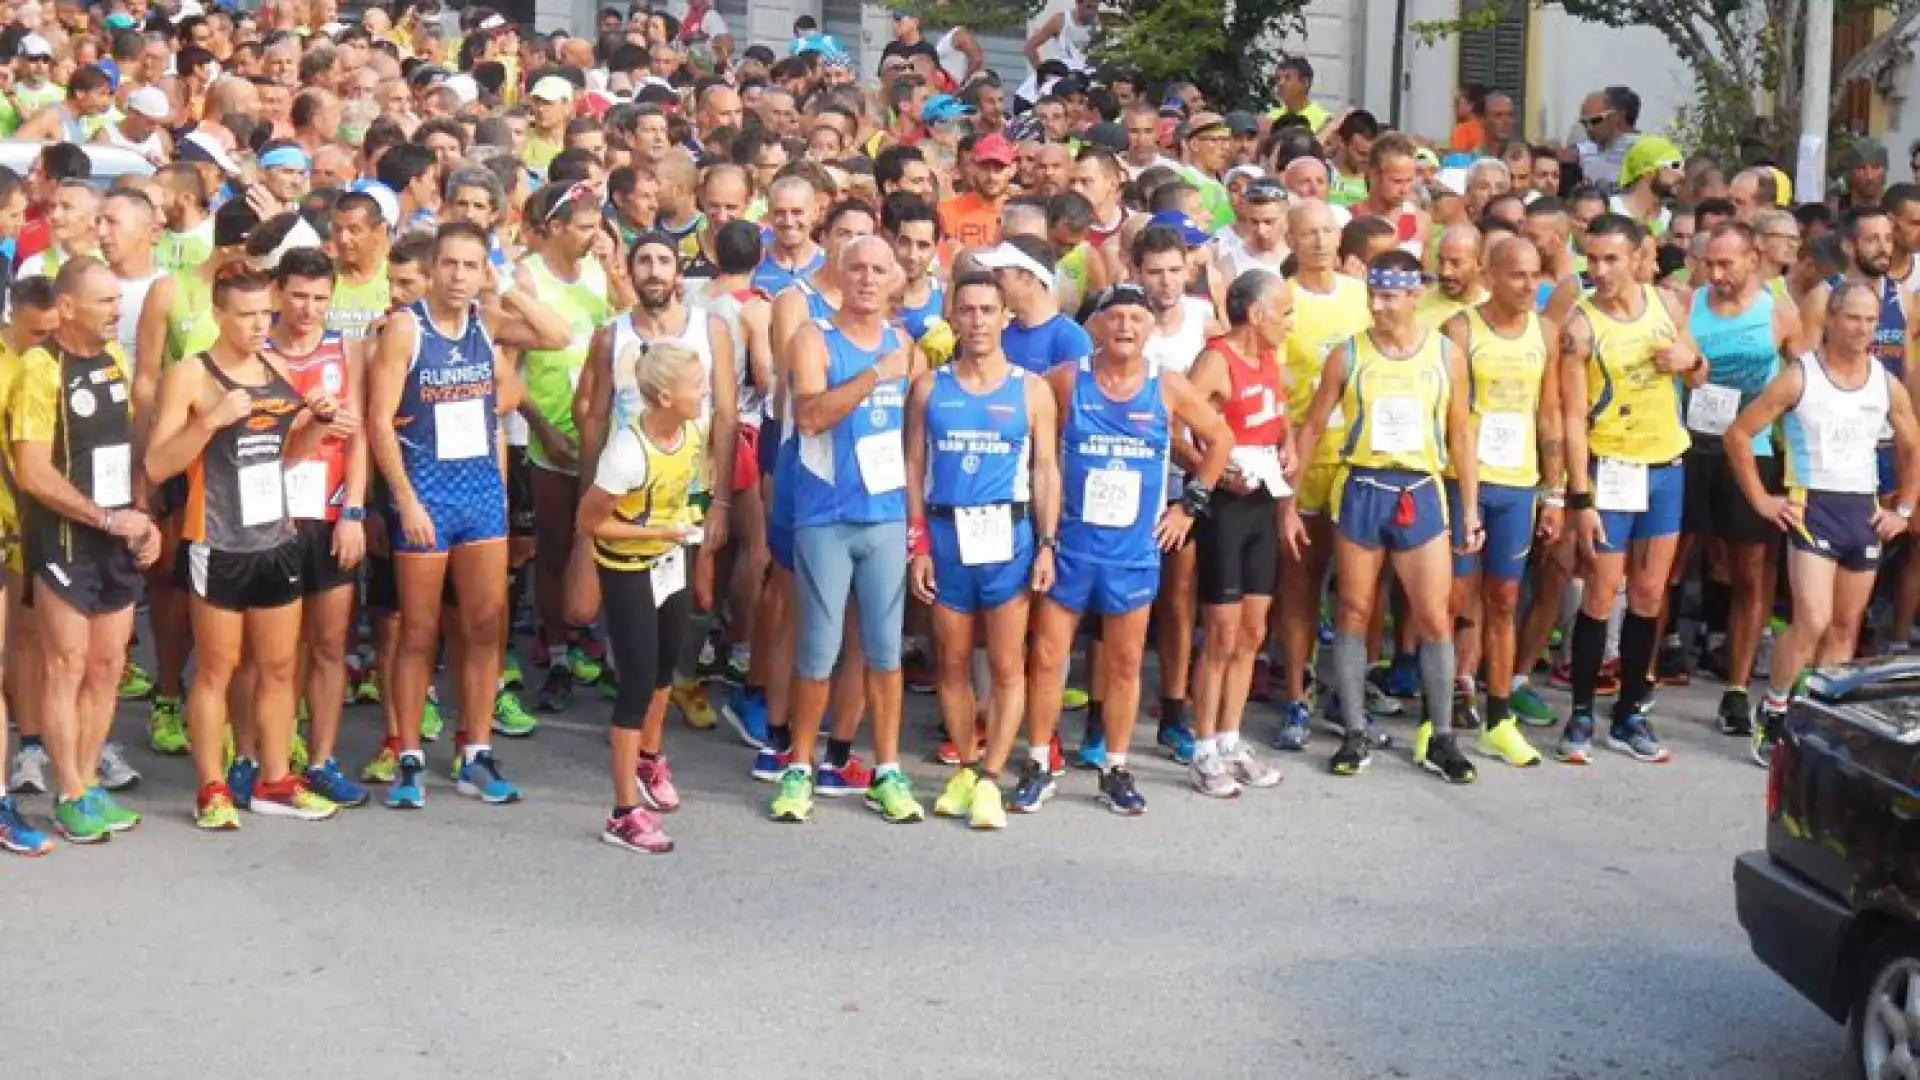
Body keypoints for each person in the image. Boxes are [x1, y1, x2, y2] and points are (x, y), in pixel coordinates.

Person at [365, 222, 566, 810]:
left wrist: (510, 289)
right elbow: (379, 421)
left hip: (481, 497)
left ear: (484, 272)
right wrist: (402, 499)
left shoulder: (488, 323)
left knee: (484, 628)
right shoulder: (406, 329)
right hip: (426, 495)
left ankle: (476, 750)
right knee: (418, 632)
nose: (457, 277)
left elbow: (557, 335)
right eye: (448, 264)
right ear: (432, 270)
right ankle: (407, 755)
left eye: (470, 266)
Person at [146, 264, 350, 828]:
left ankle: (275, 780)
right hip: (217, 540)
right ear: (218, 315)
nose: (262, 324)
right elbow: (159, 462)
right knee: (217, 669)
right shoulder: (191, 375)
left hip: (276, 535)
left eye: (266, 313)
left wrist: (317, 425)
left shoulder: (275, 368)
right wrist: (210, 419)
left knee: (280, 668)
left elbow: (283, 456)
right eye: (248, 315)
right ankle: (211, 787)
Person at [1018, 283, 1233, 815]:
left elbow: (1220, 440)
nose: (1126, 327)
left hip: (1133, 550)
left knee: (1125, 662)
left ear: (1150, 327)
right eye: (1115, 317)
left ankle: (1115, 766)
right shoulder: (1068, 381)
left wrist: (1189, 507)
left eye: (1136, 318)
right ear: (1097, 325)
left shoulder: (1167, 387)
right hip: (1069, 546)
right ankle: (1038, 763)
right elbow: (1028, 430)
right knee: (1047, 658)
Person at [1294, 249, 1483, 782]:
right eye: (1373, 295)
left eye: (1390, 296)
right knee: (1353, 609)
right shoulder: (1349, 354)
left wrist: (1469, 506)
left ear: (1414, 295)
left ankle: (1442, 735)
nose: (1378, 306)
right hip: (1363, 486)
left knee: (1432, 615)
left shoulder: (1446, 355)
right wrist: (1290, 502)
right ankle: (1353, 731)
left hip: (1420, 489)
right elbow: (1310, 428)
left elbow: (1461, 433)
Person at [1725, 282, 1920, 766]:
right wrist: (1762, 500)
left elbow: (1913, 446)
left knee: (1843, 625)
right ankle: (1773, 711)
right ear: (1831, 319)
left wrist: (1904, 511)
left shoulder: (1884, 381)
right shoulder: (1800, 377)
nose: (1862, 329)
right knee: (1810, 618)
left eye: (1871, 321)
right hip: (1812, 506)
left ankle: (1816, 720)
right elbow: (1739, 434)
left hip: (1863, 509)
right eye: (1853, 318)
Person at [768, 236, 922, 825]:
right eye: (855, 268)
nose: (865, 279)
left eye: (878, 270)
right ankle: (800, 767)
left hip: (883, 515)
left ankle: (887, 770)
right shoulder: (815, 336)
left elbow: (913, 426)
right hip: (825, 515)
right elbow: (809, 415)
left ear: (894, 281)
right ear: (838, 272)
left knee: (885, 651)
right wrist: (874, 376)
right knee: (818, 650)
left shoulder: (903, 342)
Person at [13, 258, 163, 843]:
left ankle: (89, 784)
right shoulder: (39, 368)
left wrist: (141, 518)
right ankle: (69, 790)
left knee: (106, 667)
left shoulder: (115, 360)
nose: (117, 312)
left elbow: (125, 449)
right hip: (65, 538)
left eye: (118, 301)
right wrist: (104, 517)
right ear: (68, 308)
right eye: (104, 303)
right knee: (65, 666)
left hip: (117, 536)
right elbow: (31, 470)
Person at [904, 271, 1059, 830]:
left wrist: (1046, 544)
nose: (977, 321)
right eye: (966, 311)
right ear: (953, 317)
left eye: (987, 311)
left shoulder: (1030, 388)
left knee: (1005, 664)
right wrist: (917, 542)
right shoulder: (929, 387)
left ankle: (992, 776)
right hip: (946, 536)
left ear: (1004, 317)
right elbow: (914, 465)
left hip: (1007, 536)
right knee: (949, 661)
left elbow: (1045, 469)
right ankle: (966, 767)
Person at [1558, 214, 1708, 766]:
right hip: (1612, 466)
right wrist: (1579, 496)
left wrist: (1688, 360)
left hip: (1666, 462)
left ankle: (1629, 713)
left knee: (1649, 593)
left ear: (1638, 256)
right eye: (1591, 260)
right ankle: (1579, 713)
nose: (1599, 271)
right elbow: (1573, 417)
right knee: (1602, 592)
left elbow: (1697, 368)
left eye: (1611, 259)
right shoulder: (1581, 326)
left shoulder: (1666, 305)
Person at [574, 340, 709, 855]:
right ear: (666, 395)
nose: (703, 394)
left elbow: (687, 492)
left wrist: (683, 530)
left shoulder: (691, 434)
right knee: (634, 685)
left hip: (669, 562)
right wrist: (655, 531)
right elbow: (590, 522)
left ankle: (650, 757)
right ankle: (623, 811)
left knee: (662, 672)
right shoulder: (626, 452)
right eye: (695, 386)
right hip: (629, 568)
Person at [1438, 237, 1562, 768]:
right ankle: (1439, 712)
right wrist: (1466, 497)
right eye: (1517, 276)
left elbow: (1550, 414)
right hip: (1466, 479)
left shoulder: (1547, 332)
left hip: (1518, 482)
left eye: (1536, 275)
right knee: (1455, 600)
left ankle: (1499, 717)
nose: (1530, 286)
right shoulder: (1461, 330)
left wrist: (1554, 494)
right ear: (1489, 276)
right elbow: (1454, 418)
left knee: (1506, 598)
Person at [1678, 222, 1804, 737]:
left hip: (1750, 451)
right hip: (1688, 445)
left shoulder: (1780, 315)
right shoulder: (1689, 304)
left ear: (1754, 260)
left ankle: (1735, 688)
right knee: (1669, 564)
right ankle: (1640, 675)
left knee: (1750, 573)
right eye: (1711, 263)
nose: (1718, 274)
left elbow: (1802, 386)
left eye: (1728, 264)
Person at [1185, 269, 1302, 795]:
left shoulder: (1270, 358)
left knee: (1254, 630)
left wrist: (1289, 442)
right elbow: (1169, 418)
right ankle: (1203, 747)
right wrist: (1209, 466)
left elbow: (1277, 411)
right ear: (1256, 314)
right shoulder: (1217, 359)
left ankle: (1231, 739)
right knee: (1222, 632)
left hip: (1262, 502)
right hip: (1226, 510)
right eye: (1284, 313)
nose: (1290, 324)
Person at [265, 247, 371, 808]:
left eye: (320, 298)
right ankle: (267, 755)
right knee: (273, 653)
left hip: (329, 515)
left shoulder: (345, 348)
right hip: (269, 517)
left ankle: (322, 758)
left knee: (330, 643)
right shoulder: (258, 353)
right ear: (278, 292)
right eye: (299, 296)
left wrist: (354, 510)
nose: (308, 309)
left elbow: (360, 436)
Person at [1273, 199, 1372, 750]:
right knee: (1300, 584)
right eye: (1306, 233)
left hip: (1359, 458)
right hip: (1302, 460)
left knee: (1359, 589)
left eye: (1327, 231)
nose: (1318, 241)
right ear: (1290, 239)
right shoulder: (1283, 301)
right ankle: (1295, 695)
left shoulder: (1362, 297)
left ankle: (1350, 694)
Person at [518, 181, 617, 713]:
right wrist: (543, 428)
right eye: (583, 227)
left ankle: (590, 640)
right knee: (554, 546)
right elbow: (508, 369)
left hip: (599, 433)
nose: (593, 236)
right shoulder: (526, 277)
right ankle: (556, 653)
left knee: (601, 543)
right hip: (549, 434)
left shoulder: (599, 274)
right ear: (554, 228)